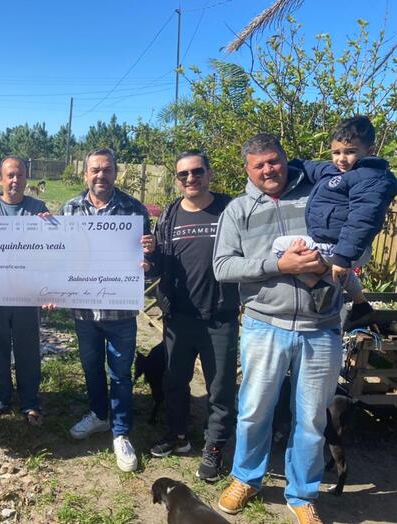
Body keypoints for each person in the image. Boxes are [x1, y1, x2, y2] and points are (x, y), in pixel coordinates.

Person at [213, 133, 343, 523]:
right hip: (264, 324)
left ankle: (302, 494)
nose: (269, 170)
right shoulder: (238, 210)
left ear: (285, 159)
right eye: (259, 165)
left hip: (321, 326)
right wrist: (278, 266)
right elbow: (223, 266)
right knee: (254, 410)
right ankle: (246, 478)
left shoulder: (319, 196)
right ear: (247, 169)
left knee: (312, 417)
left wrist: (327, 263)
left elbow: (358, 244)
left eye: (274, 161)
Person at [146, 150, 239, 483]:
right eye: (183, 174)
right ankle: (177, 435)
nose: (190, 178)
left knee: (220, 387)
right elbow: (158, 266)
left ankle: (214, 446)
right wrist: (149, 257)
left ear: (209, 173)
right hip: (178, 315)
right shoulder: (169, 215)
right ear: (177, 179)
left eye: (197, 171)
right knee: (174, 380)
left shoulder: (229, 209)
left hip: (219, 315)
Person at [60, 147, 154, 473]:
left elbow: (147, 259)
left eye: (107, 169)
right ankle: (100, 415)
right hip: (84, 311)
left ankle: (121, 431)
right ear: (85, 173)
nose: (101, 175)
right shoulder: (69, 209)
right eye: (95, 170)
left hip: (119, 312)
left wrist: (147, 258)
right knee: (91, 367)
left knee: (121, 374)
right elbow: (58, 254)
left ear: (116, 172)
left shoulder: (134, 210)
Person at [271, 116, 396, 325]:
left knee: (279, 246)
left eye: (350, 152)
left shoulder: (371, 178)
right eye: (336, 152)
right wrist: (285, 166)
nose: (341, 159)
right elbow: (309, 167)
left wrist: (343, 257)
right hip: (339, 247)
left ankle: (318, 286)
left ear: (370, 151)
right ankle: (361, 304)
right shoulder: (333, 171)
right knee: (338, 270)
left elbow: (363, 219)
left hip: (343, 247)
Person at [0, 156, 49, 425]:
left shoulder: (38, 209)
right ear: (0, 179)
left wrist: (51, 228)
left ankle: (30, 402)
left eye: (20, 175)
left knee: (28, 347)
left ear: (26, 179)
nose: (15, 180)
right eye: (10, 175)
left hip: (27, 292)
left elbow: (52, 248)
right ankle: (1, 398)